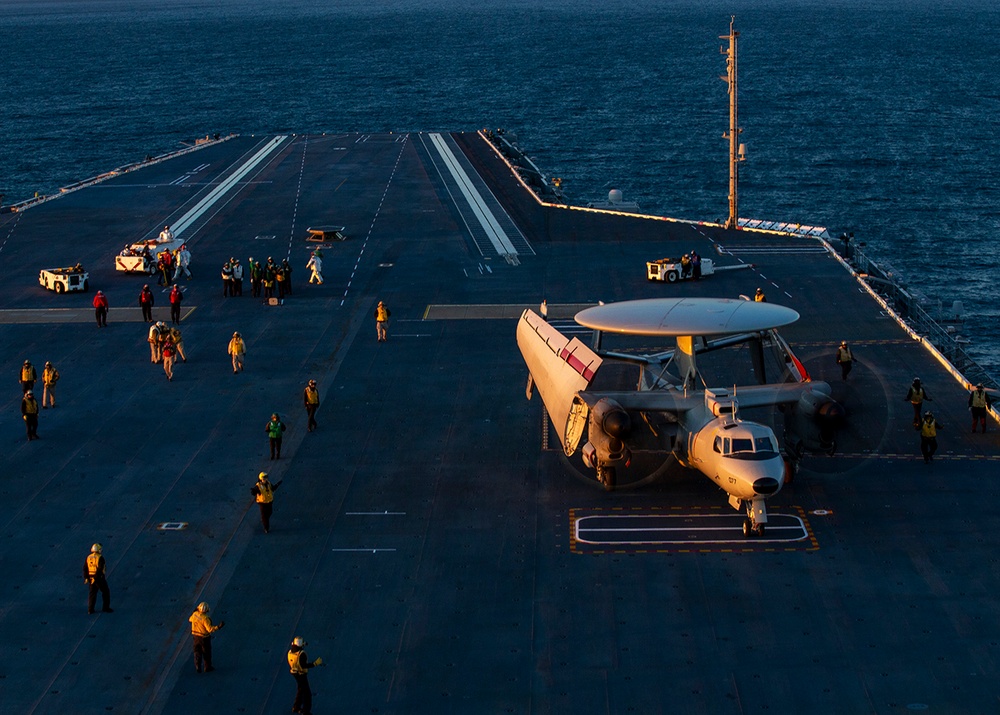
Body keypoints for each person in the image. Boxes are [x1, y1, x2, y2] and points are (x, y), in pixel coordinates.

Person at [287, 636, 324, 715]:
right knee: (307, 693)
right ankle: (305, 711)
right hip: (301, 674)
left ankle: (296, 707)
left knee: (301, 689)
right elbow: (303, 665)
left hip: (294, 672)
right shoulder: (301, 654)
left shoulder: (290, 652)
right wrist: (314, 664)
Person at [188, 602, 224, 673]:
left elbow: (190, 619)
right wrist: (218, 627)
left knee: (197, 651)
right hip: (204, 638)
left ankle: (198, 666)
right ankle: (207, 667)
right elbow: (210, 629)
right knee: (206, 652)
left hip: (196, 637)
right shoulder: (205, 618)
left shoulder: (195, 614)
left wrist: (195, 611)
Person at [84, 543, 113, 614]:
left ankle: (90, 609)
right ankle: (106, 608)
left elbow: (85, 568)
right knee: (105, 592)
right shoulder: (100, 557)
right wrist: (96, 577)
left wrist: (87, 577)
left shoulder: (89, 557)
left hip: (91, 578)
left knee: (92, 594)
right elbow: (100, 569)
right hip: (99, 578)